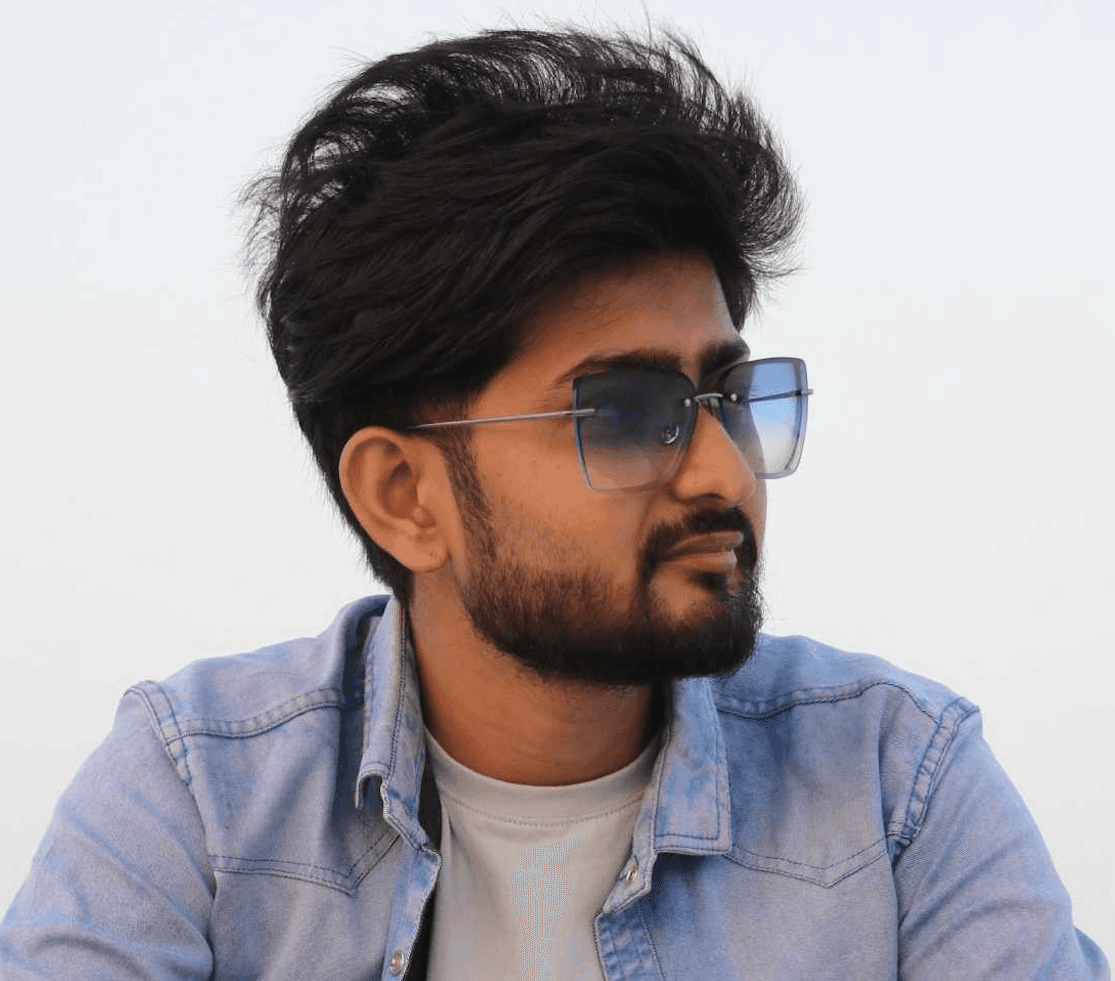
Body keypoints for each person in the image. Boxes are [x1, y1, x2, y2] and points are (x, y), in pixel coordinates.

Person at [0, 23, 1107, 981]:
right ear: (403, 496)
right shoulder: (199, 795)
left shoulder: (892, 785)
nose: (722, 474)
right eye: (621, 413)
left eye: (726, 396)